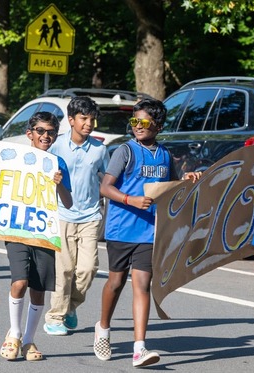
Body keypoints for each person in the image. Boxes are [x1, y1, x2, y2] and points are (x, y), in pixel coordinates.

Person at [0, 111, 72, 361]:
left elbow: (69, 203)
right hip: (16, 229)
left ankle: (29, 340)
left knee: (39, 289)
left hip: (42, 232)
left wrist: (59, 183)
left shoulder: (57, 164)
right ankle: (14, 334)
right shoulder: (14, 158)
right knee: (20, 282)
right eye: (40, 131)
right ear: (30, 133)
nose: (46, 136)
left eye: (51, 132)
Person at [93, 98, 201, 367]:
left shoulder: (164, 154)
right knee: (116, 283)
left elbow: (172, 188)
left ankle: (139, 348)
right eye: (134, 121)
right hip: (121, 229)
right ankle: (103, 329)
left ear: (158, 125)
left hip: (150, 231)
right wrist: (130, 200)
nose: (137, 126)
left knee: (142, 285)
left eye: (143, 121)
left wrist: (186, 180)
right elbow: (105, 188)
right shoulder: (125, 151)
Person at [43, 96, 109, 336]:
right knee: (64, 269)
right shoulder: (56, 146)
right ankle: (55, 316)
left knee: (88, 268)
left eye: (92, 119)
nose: (89, 123)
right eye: (83, 118)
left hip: (91, 216)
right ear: (71, 120)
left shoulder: (100, 150)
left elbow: (108, 180)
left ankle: (70, 306)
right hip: (62, 215)